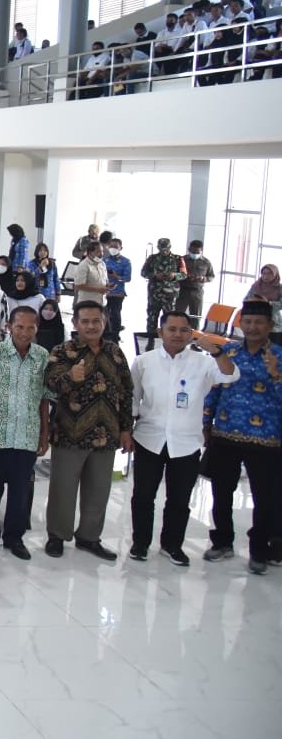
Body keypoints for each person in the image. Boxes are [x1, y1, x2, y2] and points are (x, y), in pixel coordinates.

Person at [128, 310, 237, 566]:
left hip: (186, 442)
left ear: (191, 334)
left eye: (184, 330)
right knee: (143, 496)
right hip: (149, 439)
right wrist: (126, 431)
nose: (178, 334)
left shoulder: (204, 362)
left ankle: (172, 545)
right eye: (172, 329)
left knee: (179, 499)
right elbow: (133, 399)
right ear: (160, 332)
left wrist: (217, 351)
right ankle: (140, 543)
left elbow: (231, 374)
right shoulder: (144, 361)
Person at [43, 301, 134, 561]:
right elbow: (49, 385)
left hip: (106, 435)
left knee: (99, 491)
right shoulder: (63, 351)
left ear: (104, 322)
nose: (91, 326)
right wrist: (70, 376)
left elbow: (126, 392)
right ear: (75, 323)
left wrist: (126, 429)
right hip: (69, 434)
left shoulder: (115, 352)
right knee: (63, 490)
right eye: (85, 321)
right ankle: (57, 536)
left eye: (96, 321)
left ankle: (89, 537)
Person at [202, 300, 281, 575]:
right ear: (241, 324)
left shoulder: (279, 356)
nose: (252, 327)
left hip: (266, 439)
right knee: (221, 492)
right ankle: (222, 542)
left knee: (265, 498)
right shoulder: (229, 352)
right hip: (225, 433)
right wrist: (206, 423)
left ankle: (259, 550)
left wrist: (276, 375)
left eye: (259, 322)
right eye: (247, 321)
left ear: (270, 325)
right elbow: (214, 390)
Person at [0, 306, 51, 561]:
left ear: (36, 328)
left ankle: (14, 538)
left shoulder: (42, 356)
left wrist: (45, 433)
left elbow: (44, 398)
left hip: (26, 435)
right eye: (19, 327)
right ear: (9, 327)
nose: (24, 332)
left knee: (20, 493)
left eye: (30, 327)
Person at [139, 238, 184, 339]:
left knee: (170, 320)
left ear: (170, 247)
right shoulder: (152, 258)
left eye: (166, 249)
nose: (164, 251)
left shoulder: (178, 259)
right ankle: (151, 341)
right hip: (154, 293)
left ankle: (169, 340)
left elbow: (184, 274)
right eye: (161, 249)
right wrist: (155, 275)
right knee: (152, 319)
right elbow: (143, 272)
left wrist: (174, 275)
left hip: (170, 295)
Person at [175, 240, 215, 320]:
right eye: (193, 251)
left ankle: (194, 328)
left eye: (197, 252)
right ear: (189, 249)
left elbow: (211, 276)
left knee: (196, 317)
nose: (195, 254)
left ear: (201, 251)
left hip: (197, 292)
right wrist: (183, 276)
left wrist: (202, 278)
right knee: (178, 315)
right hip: (183, 291)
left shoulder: (206, 262)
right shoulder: (182, 260)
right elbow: (174, 274)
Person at [103, 236, 131, 341]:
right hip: (104, 291)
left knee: (115, 313)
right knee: (104, 313)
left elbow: (127, 278)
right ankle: (105, 334)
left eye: (115, 247)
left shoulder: (125, 261)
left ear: (120, 248)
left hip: (117, 293)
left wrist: (116, 276)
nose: (113, 249)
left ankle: (115, 335)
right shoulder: (103, 260)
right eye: (111, 246)